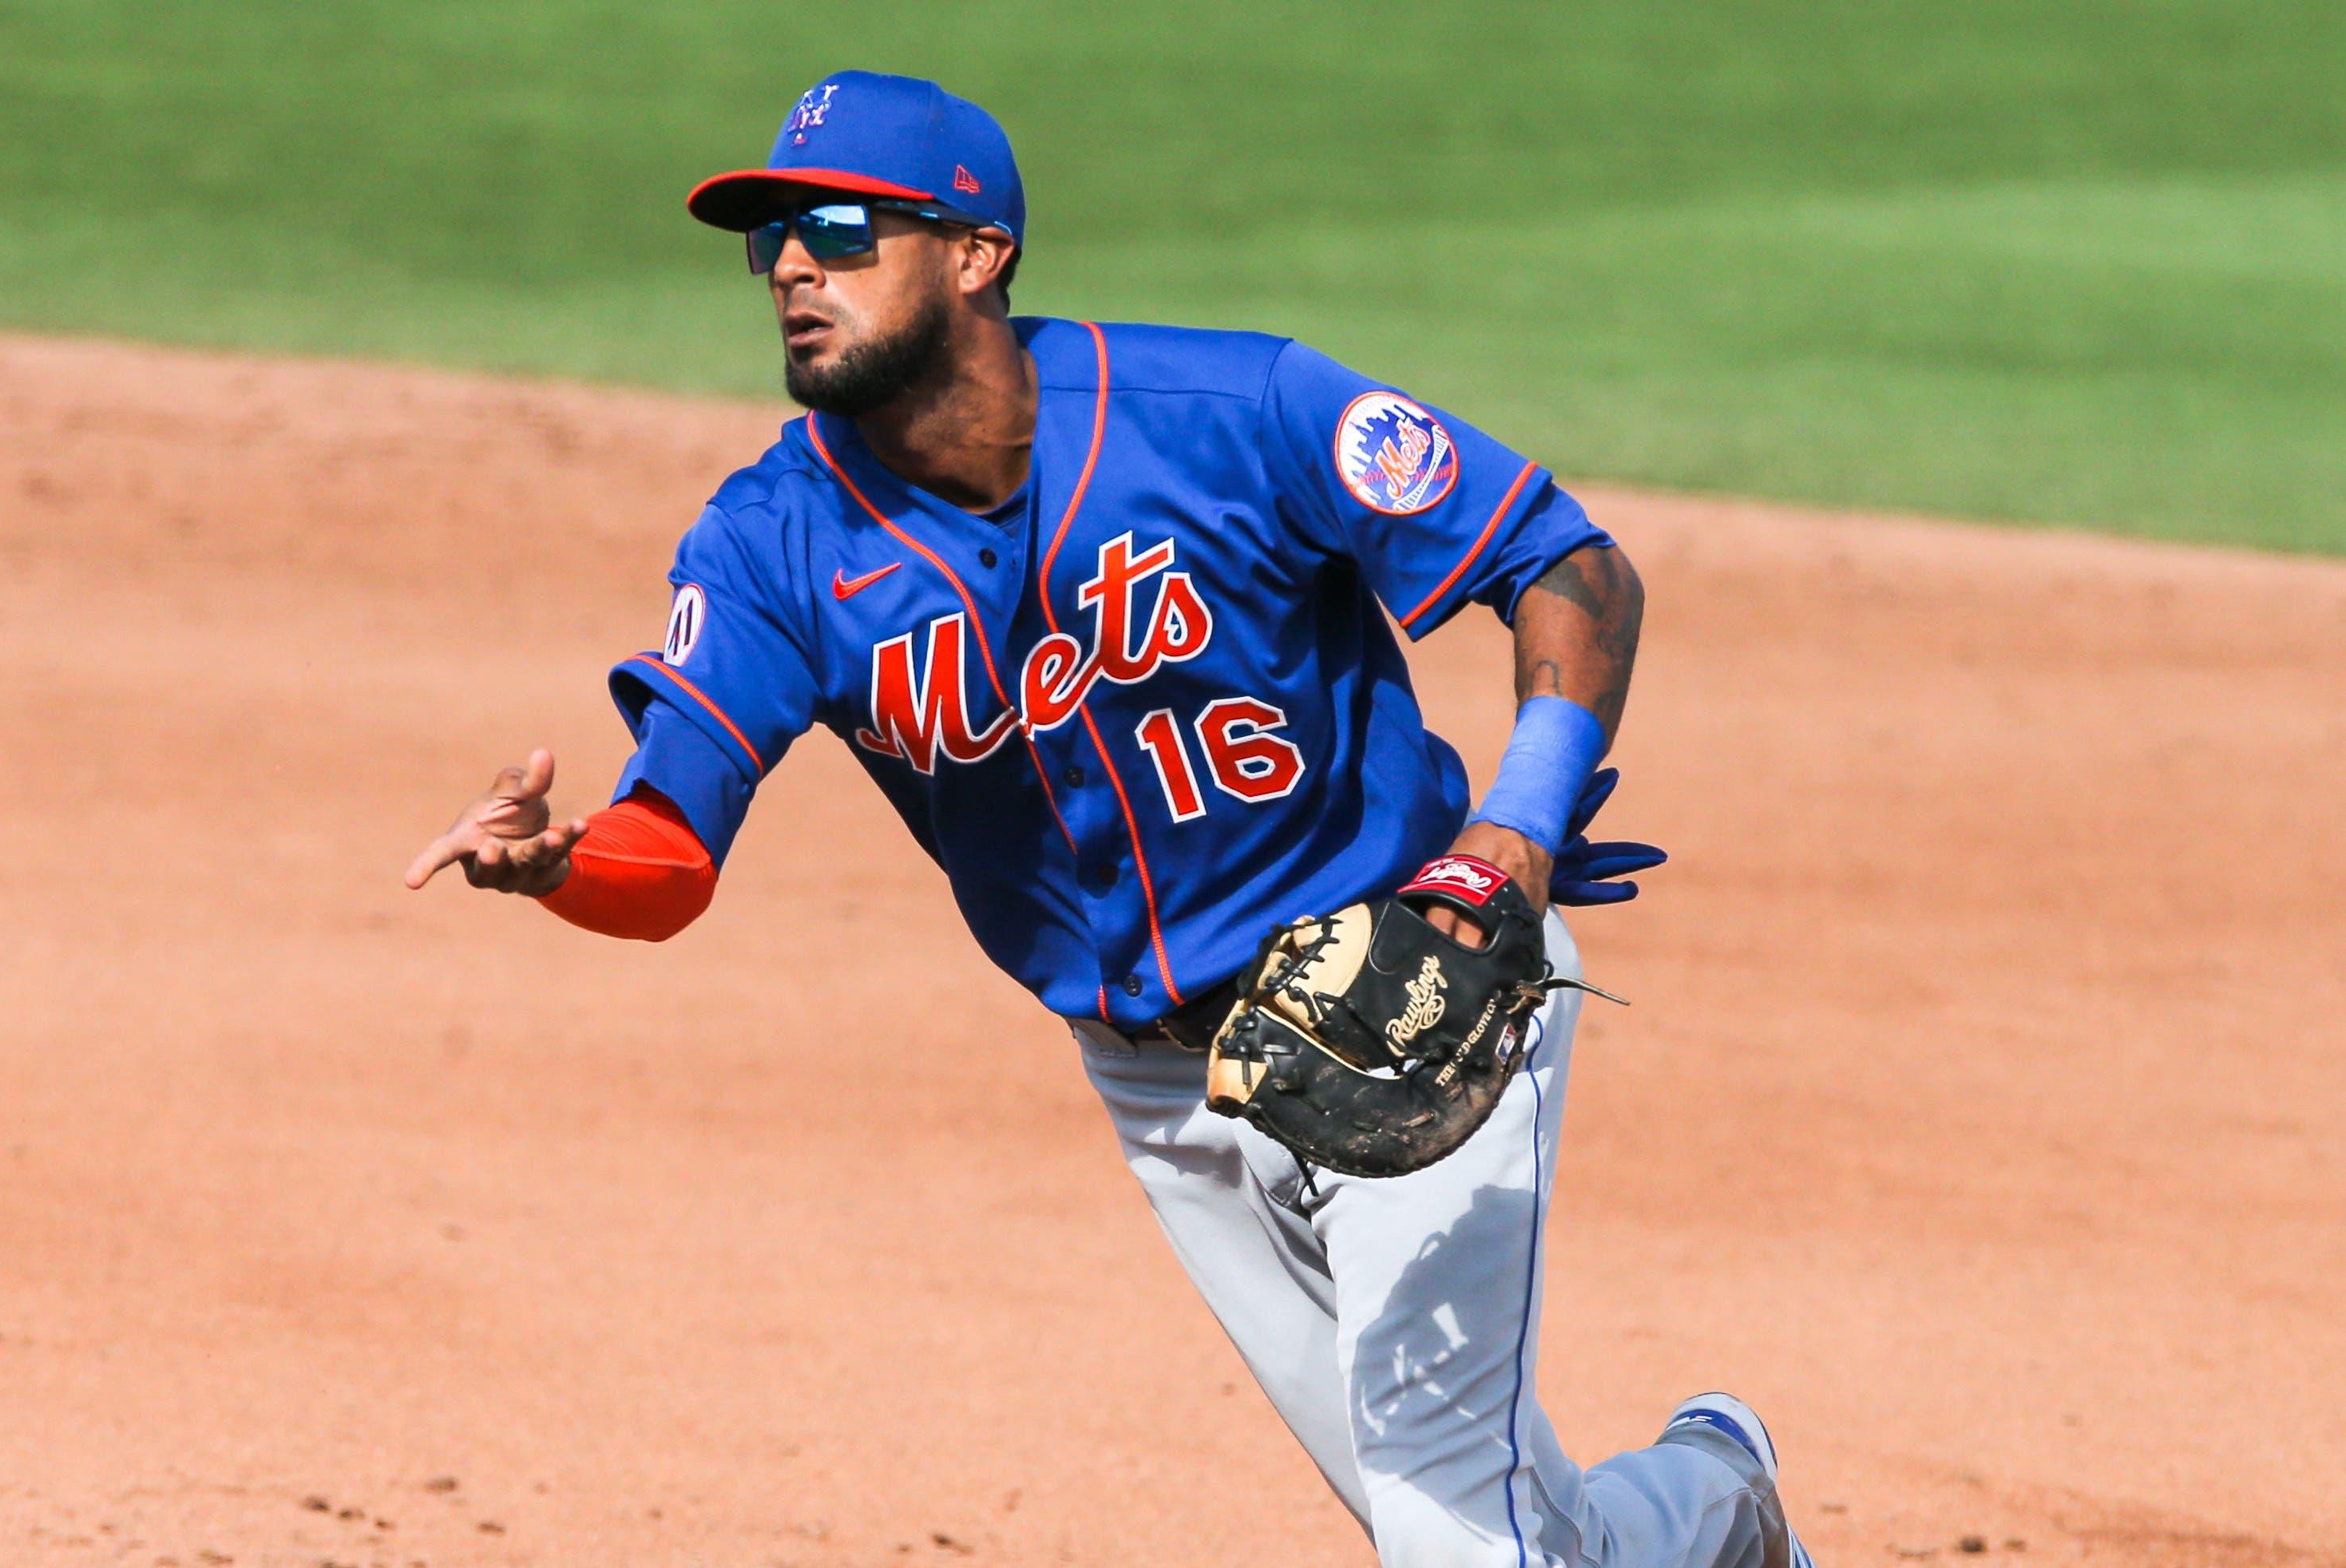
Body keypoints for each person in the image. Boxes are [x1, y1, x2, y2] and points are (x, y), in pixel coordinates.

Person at [406, 69, 1809, 1568]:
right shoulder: (768, 543)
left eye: (839, 228)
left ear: (975, 251)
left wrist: (1514, 842)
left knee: (1447, 1521)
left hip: (1420, 977)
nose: (796, 267)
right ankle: (1721, 1505)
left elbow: (1568, 566)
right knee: (1519, 1524)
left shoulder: (1231, 410)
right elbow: (669, 850)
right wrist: (563, 870)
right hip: (1161, 1087)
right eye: (771, 243)